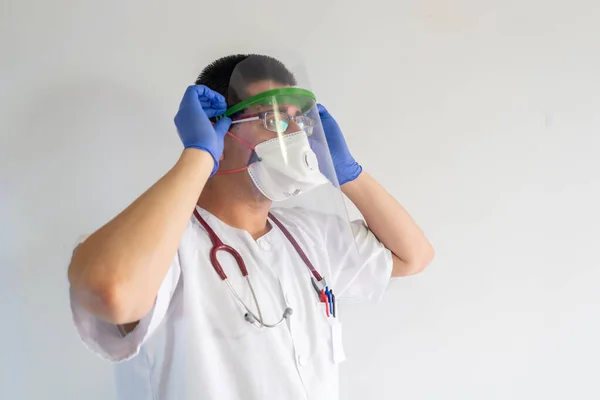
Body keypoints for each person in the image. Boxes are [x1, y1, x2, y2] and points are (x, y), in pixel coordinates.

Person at [68, 54, 434, 400]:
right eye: (272, 120)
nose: (294, 135)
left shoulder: (310, 237)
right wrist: (198, 155)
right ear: (217, 131)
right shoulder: (166, 244)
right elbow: (112, 291)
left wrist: (349, 173)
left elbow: (413, 256)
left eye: (299, 121)